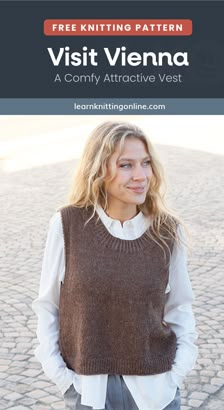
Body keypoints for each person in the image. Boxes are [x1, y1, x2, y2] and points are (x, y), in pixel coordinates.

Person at [32, 121, 198, 410]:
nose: (140, 175)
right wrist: (64, 380)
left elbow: (180, 308)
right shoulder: (67, 225)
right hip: (89, 393)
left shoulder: (166, 231)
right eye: (125, 165)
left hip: (156, 393)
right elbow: (48, 306)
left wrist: (176, 375)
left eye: (145, 163)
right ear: (98, 169)